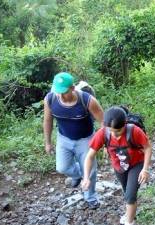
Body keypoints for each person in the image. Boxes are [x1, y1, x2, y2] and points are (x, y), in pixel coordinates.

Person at [43, 72, 104, 209]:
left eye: (63, 91)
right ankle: (79, 175)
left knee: (91, 170)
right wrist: (47, 142)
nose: (59, 95)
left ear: (72, 88)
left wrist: (102, 142)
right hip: (63, 138)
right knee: (62, 167)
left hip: (86, 139)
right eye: (57, 91)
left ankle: (91, 197)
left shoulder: (87, 100)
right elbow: (47, 120)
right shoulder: (50, 99)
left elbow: (103, 121)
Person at [82, 106, 152, 225]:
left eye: (118, 131)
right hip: (119, 167)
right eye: (111, 131)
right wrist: (86, 177)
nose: (115, 135)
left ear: (125, 123)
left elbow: (147, 148)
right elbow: (89, 156)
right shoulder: (103, 133)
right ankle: (130, 213)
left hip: (136, 165)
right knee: (127, 193)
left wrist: (145, 169)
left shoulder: (134, 130)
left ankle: (129, 222)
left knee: (130, 195)